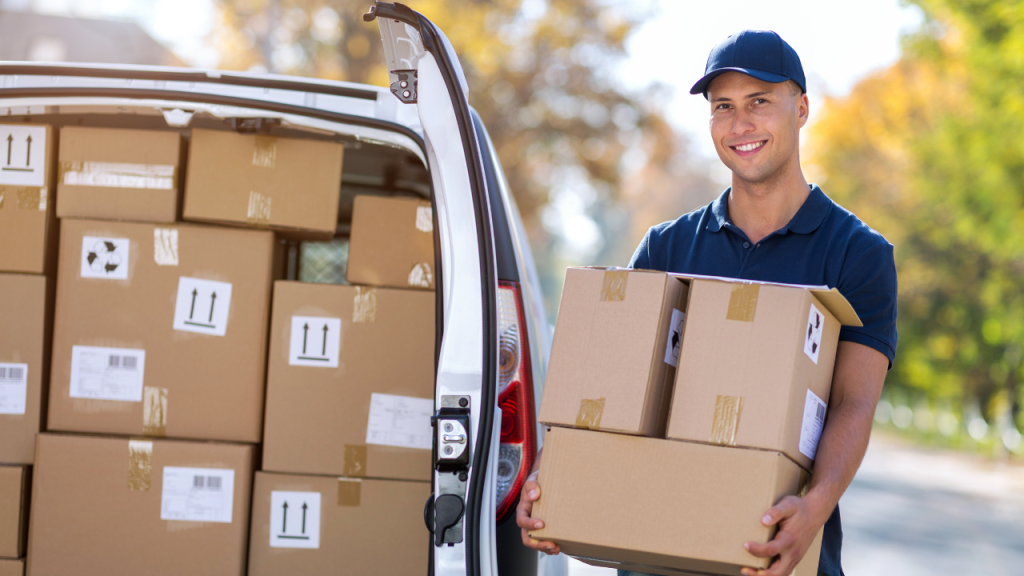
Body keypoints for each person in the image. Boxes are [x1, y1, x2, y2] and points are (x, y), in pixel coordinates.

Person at [516, 30, 897, 576]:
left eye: (759, 102)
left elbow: (853, 404)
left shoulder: (857, 254)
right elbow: (610, 387)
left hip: (772, 551)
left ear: (802, 109)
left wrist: (814, 508)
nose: (740, 125)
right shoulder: (666, 247)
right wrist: (553, 480)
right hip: (656, 553)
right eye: (724, 107)